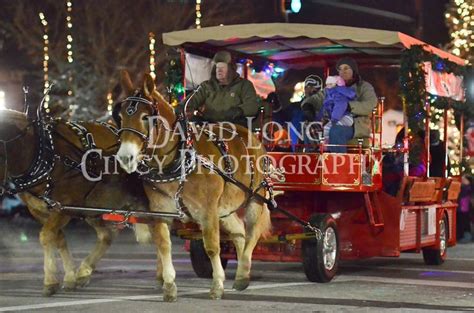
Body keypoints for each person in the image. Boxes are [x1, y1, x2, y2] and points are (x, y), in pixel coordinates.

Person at [302, 57, 377, 152]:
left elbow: (371, 104)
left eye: (346, 68)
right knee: (310, 128)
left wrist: (349, 106)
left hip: (355, 125)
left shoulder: (363, 87)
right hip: (332, 120)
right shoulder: (333, 86)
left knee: (336, 131)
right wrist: (308, 105)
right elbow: (317, 98)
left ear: (353, 70)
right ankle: (312, 158)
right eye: (340, 69)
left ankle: (336, 162)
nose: (343, 72)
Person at [184, 51, 259, 126]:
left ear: (231, 69)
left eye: (222, 67)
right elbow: (192, 99)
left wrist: (238, 111)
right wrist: (183, 106)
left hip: (234, 127)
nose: (219, 70)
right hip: (210, 127)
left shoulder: (244, 85)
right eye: (217, 67)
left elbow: (252, 105)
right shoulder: (206, 86)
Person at [317, 75, 356, 140]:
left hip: (345, 117)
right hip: (337, 117)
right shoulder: (329, 95)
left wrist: (334, 119)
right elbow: (324, 107)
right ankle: (324, 144)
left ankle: (326, 145)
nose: (328, 86)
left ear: (335, 84)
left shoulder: (338, 94)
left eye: (330, 84)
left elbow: (340, 106)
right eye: (327, 84)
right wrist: (318, 117)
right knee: (323, 129)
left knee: (329, 128)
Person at [457, 175, 473, 243]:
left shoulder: (468, 188)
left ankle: (466, 236)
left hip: (464, 208)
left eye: (464, 179)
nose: (462, 181)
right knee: (463, 221)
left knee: (464, 221)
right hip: (462, 208)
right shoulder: (465, 188)